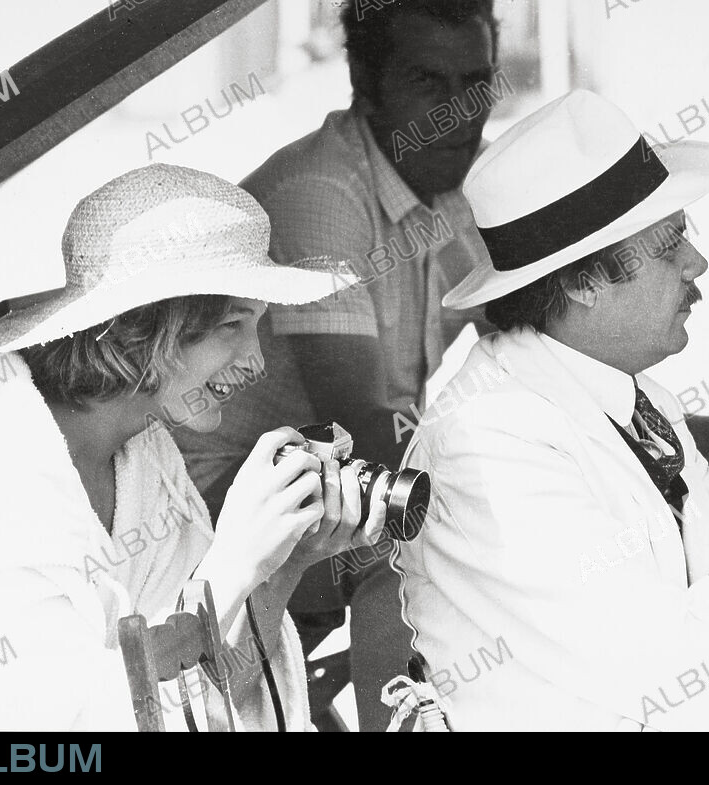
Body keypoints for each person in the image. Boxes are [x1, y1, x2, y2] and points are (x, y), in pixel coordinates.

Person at [393, 91, 709, 731]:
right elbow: (678, 680)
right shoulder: (486, 444)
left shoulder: (632, 396)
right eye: (668, 245)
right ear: (581, 281)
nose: (697, 263)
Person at [0, 164, 384, 731]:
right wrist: (229, 566)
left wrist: (281, 563)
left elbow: (211, 692)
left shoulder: (145, 458)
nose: (257, 360)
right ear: (148, 328)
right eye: (232, 325)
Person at [175, 0, 500, 731]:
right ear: (366, 80)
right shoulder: (323, 194)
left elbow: (531, 330)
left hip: (304, 487)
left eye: (475, 83)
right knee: (407, 537)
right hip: (213, 514)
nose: (458, 112)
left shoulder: (441, 185)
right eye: (427, 82)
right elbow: (366, 440)